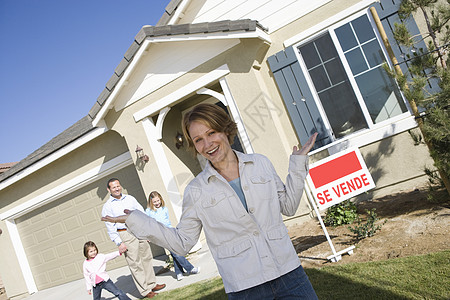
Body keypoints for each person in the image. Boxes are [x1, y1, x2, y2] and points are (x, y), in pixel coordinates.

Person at [102, 103, 318, 299]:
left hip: (290, 273)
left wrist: (297, 166)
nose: (207, 144)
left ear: (225, 130)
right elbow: (182, 243)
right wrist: (137, 220)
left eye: (211, 133)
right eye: (198, 140)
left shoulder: (260, 164)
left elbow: (288, 206)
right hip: (246, 288)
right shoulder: (196, 191)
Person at [101, 178, 166, 299]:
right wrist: (119, 243)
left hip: (138, 230)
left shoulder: (130, 198)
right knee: (135, 263)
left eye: (118, 186)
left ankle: (151, 284)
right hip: (125, 233)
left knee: (146, 257)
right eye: (113, 187)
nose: (117, 188)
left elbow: (141, 213)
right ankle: (145, 291)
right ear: (108, 190)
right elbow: (110, 227)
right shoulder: (107, 206)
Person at [146, 191, 200, 281]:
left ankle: (179, 273)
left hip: (170, 232)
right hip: (160, 234)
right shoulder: (148, 212)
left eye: (158, 200)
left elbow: (167, 221)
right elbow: (148, 225)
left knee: (175, 251)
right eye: (154, 202)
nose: (157, 203)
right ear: (151, 202)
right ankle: (190, 269)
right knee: (176, 252)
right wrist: (149, 236)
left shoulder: (164, 209)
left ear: (161, 199)